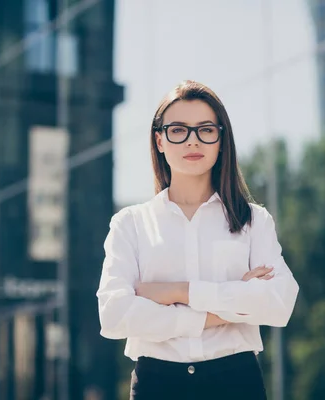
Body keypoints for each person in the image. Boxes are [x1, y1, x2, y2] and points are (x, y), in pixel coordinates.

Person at [96, 80, 299, 400]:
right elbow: (114, 315)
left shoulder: (252, 220)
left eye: (205, 129)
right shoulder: (131, 224)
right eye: (179, 130)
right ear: (159, 140)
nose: (193, 141)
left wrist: (178, 292)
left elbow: (278, 302)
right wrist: (223, 309)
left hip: (235, 380)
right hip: (157, 384)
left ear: (221, 140)